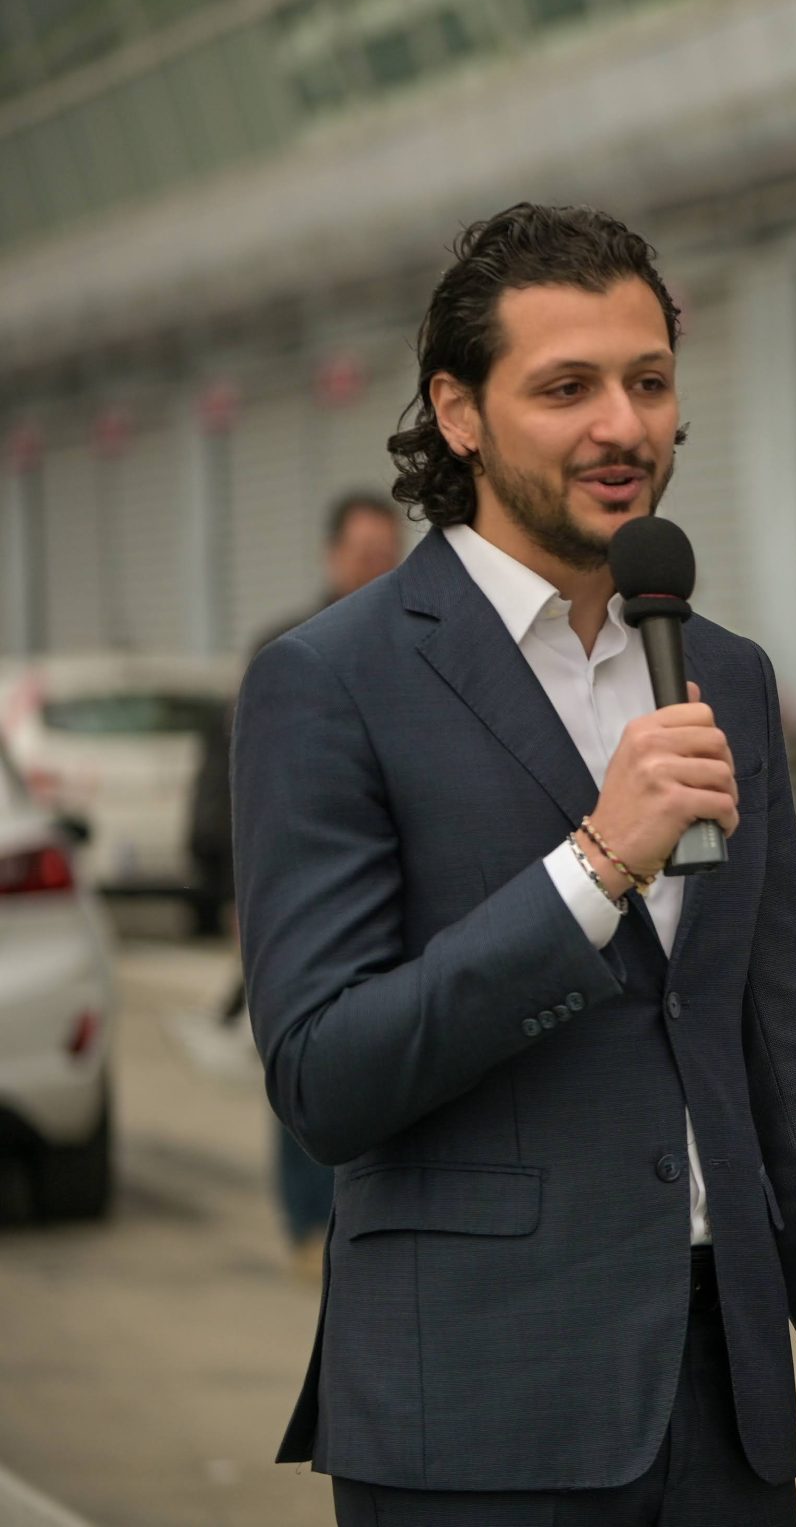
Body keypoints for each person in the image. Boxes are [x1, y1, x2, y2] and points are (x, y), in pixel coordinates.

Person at [233, 203, 796, 1525]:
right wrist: (593, 863)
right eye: (566, 387)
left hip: (726, 1412)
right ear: (459, 411)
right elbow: (326, 1075)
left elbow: (786, 1063)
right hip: (475, 1411)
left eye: (649, 382)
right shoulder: (332, 680)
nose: (623, 426)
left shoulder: (723, 671)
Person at [187, 490, 402, 1280]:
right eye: (363, 554)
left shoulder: (419, 643)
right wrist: (236, 894)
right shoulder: (290, 650)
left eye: (387, 554)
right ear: (331, 555)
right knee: (306, 1053)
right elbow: (232, 784)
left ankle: (370, 1217)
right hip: (299, 895)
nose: (376, 567)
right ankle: (310, 1225)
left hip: (392, 890)